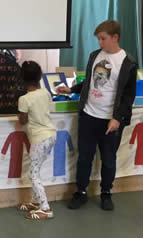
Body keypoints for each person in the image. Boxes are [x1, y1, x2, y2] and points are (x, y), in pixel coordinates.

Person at [56, 20, 138, 211]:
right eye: (98, 39)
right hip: (89, 116)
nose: (100, 43)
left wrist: (117, 118)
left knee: (109, 159)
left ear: (115, 37)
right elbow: (89, 83)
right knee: (84, 157)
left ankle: (106, 193)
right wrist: (71, 89)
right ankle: (81, 192)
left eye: (103, 38)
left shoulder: (128, 63)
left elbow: (128, 95)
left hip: (110, 121)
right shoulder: (95, 56)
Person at [16, 61, 56, 220]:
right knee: (36, 169)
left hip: (39, 139)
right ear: (40, 76)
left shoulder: (24, 99)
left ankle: (45, 208)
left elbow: (23, 121)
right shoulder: (46, 92)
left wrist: (19, 114)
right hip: (51, 135)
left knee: (33, 174)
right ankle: (35, 201)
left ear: (22, 79)